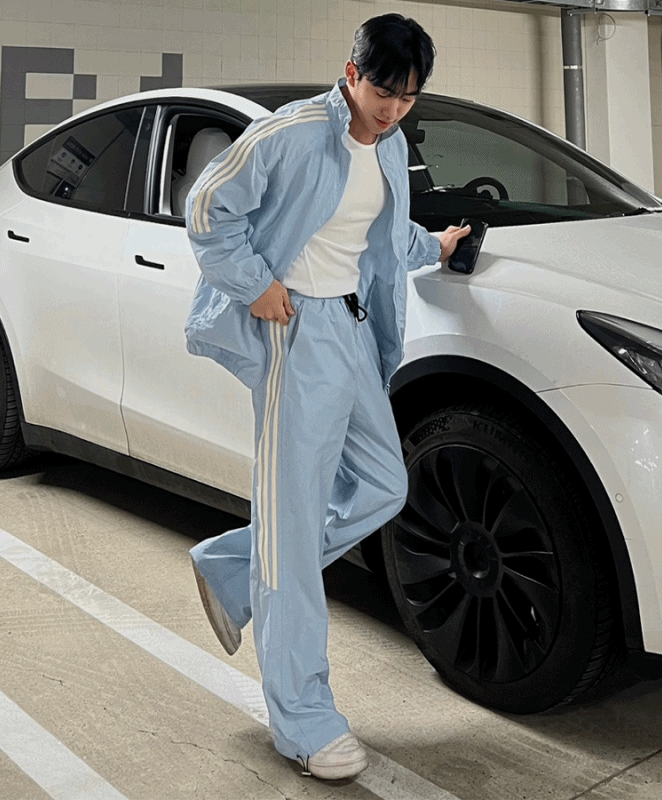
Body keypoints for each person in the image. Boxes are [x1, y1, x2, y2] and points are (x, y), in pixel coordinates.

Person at [184, 13, 470, 781]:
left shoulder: (391, 142)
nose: (393, 109)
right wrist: (256, 285)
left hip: (352, 329)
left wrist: (435, 244)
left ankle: (235, 566)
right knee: (294, 524)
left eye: (408, 97)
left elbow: (381, 232)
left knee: (383, 484)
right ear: (352, 73)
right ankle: (304, 723)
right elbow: (207, 208)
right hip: (296, 330)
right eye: (383, 91)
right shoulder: (292, 134)